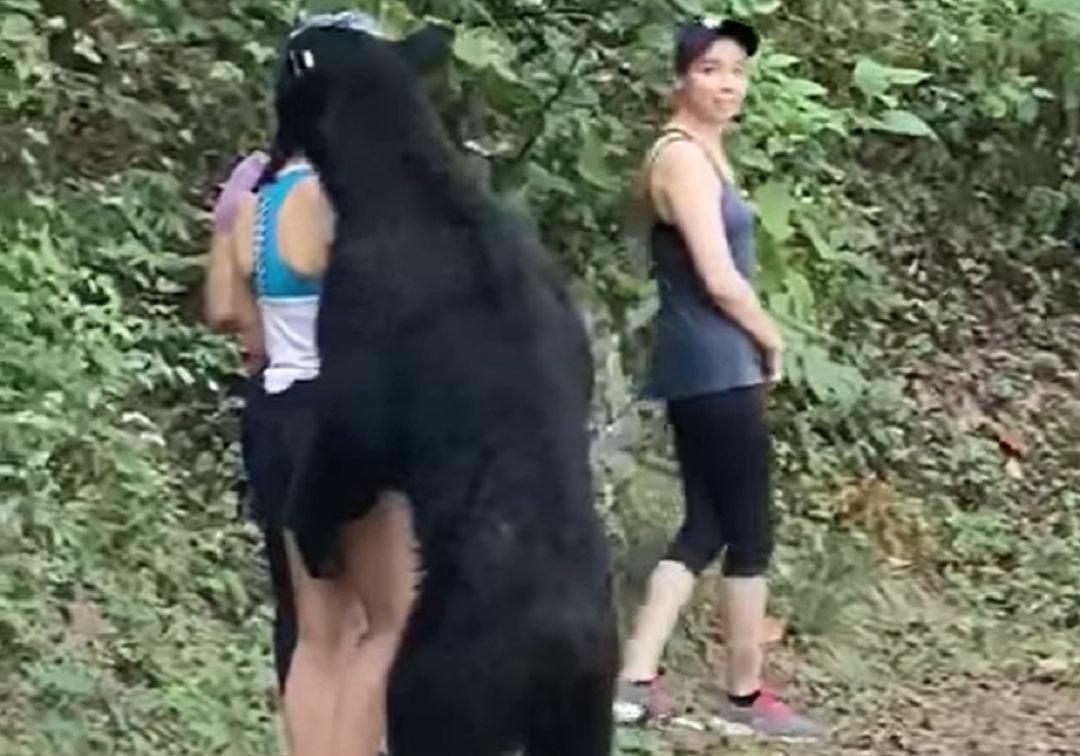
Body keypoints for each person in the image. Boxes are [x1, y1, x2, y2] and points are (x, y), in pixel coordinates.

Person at [202, 13, 417, 756]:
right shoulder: (342, 195)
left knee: (319, 634)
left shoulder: (256, 201)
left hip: (277, 418)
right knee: (392, 623)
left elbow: (230, 312)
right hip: (346, 421)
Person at [612, 18, 823, 741]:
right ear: (680, 78)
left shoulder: (705, 153)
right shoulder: (681, 159)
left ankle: (635, 678)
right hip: (713, 361)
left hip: (707, 363)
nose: (727, 83)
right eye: (710, 69)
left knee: (705, 523)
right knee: (750, 530)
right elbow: (720, 278)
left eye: (736, 70)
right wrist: (771, 336)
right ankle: (743, 692)